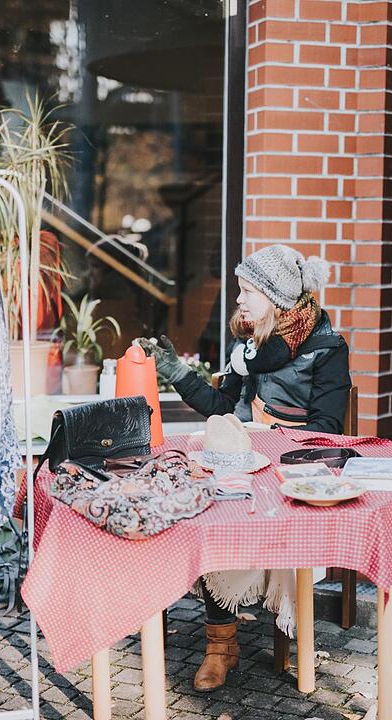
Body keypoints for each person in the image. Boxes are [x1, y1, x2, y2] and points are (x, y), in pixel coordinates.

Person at [141, 244, 352, 692]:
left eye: (248, 291)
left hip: (290, 472)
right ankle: (221, 647)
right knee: (206, 513)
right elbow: (222, 407)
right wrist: (176, 372)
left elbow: (328, 431)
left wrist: (265, 436)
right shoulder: (250, 346)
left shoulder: (327, 349)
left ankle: (249, 641)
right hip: (240, 462)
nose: (238, 299)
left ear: (276, 299)